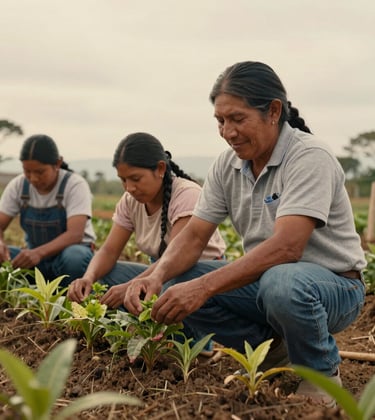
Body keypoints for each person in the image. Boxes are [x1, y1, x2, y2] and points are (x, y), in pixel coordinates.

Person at [121, 61, 366, 406]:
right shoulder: (227, 165)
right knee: (180, 279)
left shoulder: (309, 157)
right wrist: (156, 275)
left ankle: (322, 376)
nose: (228, 131)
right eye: (220, 121)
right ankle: (274, 354)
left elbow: (287, 248)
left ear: (273, 111)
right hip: (269, 285)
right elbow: (192, 237)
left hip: (334, 288)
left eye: (238, 119)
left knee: (281, 281)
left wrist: (203, 287)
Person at [67, 132, 226, 310]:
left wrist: (131, 285)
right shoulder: (130, 201)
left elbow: (174, 259)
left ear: (160, 169)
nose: (129, 188)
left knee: (170, 285)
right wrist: (88, 278)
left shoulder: (186, 195)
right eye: (123, 180)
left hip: (196, 274)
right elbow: (109, 251)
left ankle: (189, 335)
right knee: (105, 275)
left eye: (135, 179)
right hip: (160, 274)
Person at [0, 134, 96, 287]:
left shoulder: (74, 185)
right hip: (35, 261)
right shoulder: (18, 185)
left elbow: (75, 235)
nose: (33, 178)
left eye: (40, 172)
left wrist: (38, 253)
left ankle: (70, 298)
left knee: (74, 258)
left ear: (57, 163)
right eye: (27, 171)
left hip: (68, 259)